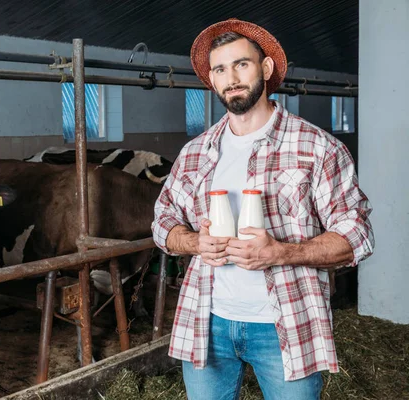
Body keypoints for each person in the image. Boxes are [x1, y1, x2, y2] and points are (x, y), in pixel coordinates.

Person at [151, 19, 374, 400]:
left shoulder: (317, 148)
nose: (231, 77)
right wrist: (193, 243)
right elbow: (163, 221)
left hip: (285, 324)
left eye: (242, 64)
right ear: (212, 79)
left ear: (266, 69)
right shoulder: (195, 152)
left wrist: (282, 252)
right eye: (220, 69)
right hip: (209, 321)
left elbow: (357, 236)